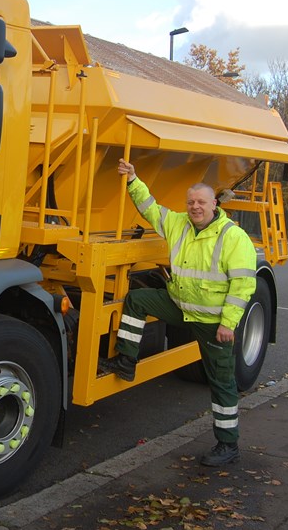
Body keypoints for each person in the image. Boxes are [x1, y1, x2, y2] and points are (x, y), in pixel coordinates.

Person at [98, 158, 258, 466]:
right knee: (139, 299)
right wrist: (133, 179)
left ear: (215, 204)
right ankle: (126, 360)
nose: (195, 207)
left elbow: (242, 286)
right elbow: (150, 208)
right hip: (181, 307)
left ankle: (228, 445)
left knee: (221, 383)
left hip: (213, 323)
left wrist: (229, 324)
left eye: (201, 202)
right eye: (190, 202)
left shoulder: (232, 237)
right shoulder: (179, 224)